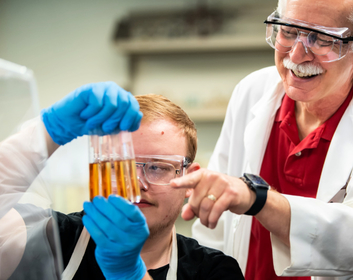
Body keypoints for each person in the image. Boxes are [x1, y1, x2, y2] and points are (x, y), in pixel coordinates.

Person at [169, 0, 353, 279]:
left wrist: (258, 199)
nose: (296, 55)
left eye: (320, 39)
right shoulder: (252, 91)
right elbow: (216, 230)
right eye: (289, 31)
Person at [0, 82, 244, 280]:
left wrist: (130, 273)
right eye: (120, 167)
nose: (136, 184)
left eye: (158, 167)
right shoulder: (50, 238)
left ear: (189, 179)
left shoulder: (214, 271)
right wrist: (48, 131)